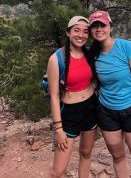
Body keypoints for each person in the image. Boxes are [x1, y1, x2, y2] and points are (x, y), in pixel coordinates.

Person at [88, 10, 131, 178]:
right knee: (118, 157)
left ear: (110, 27)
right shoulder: (92, 55)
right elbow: (94, 81)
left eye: (102, 25)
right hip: (106, 113)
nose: (98, 29)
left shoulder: (127, 47)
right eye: (94, 26)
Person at [47, 16, 98, 178]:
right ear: (68, 33)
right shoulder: (56, 59)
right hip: (69, 113)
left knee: (86, 153)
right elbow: (54, 97)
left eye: (85, 32)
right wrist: (58, 129)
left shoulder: (89, 54)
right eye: (76, 30)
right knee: (58, 171)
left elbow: (95, 79)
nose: (81, 35)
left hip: (91, 109)